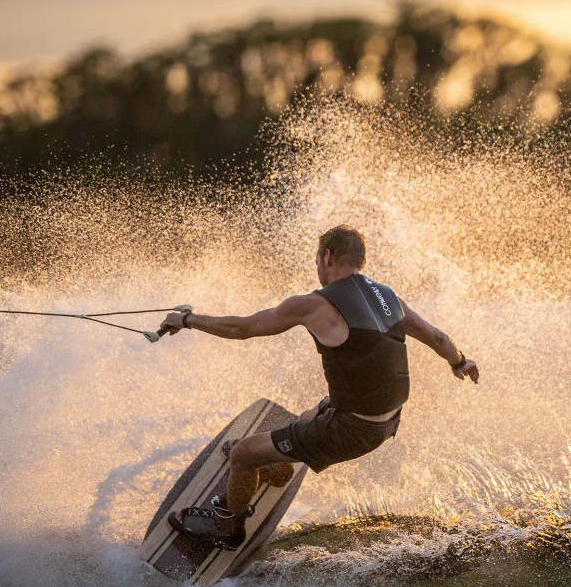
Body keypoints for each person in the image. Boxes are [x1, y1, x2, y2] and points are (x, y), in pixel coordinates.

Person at [157, 225, 479, 549]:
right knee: (315, 411)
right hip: (389, 420)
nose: (317, 269)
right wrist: (459, 362)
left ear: (327, 256)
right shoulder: (390, 298)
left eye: (316, 259)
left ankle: (227, 526)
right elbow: (438, 338)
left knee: (242, 454)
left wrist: (187, 320)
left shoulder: (314, 304)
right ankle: (279, 464)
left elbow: (243, 328)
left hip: (352, 430)